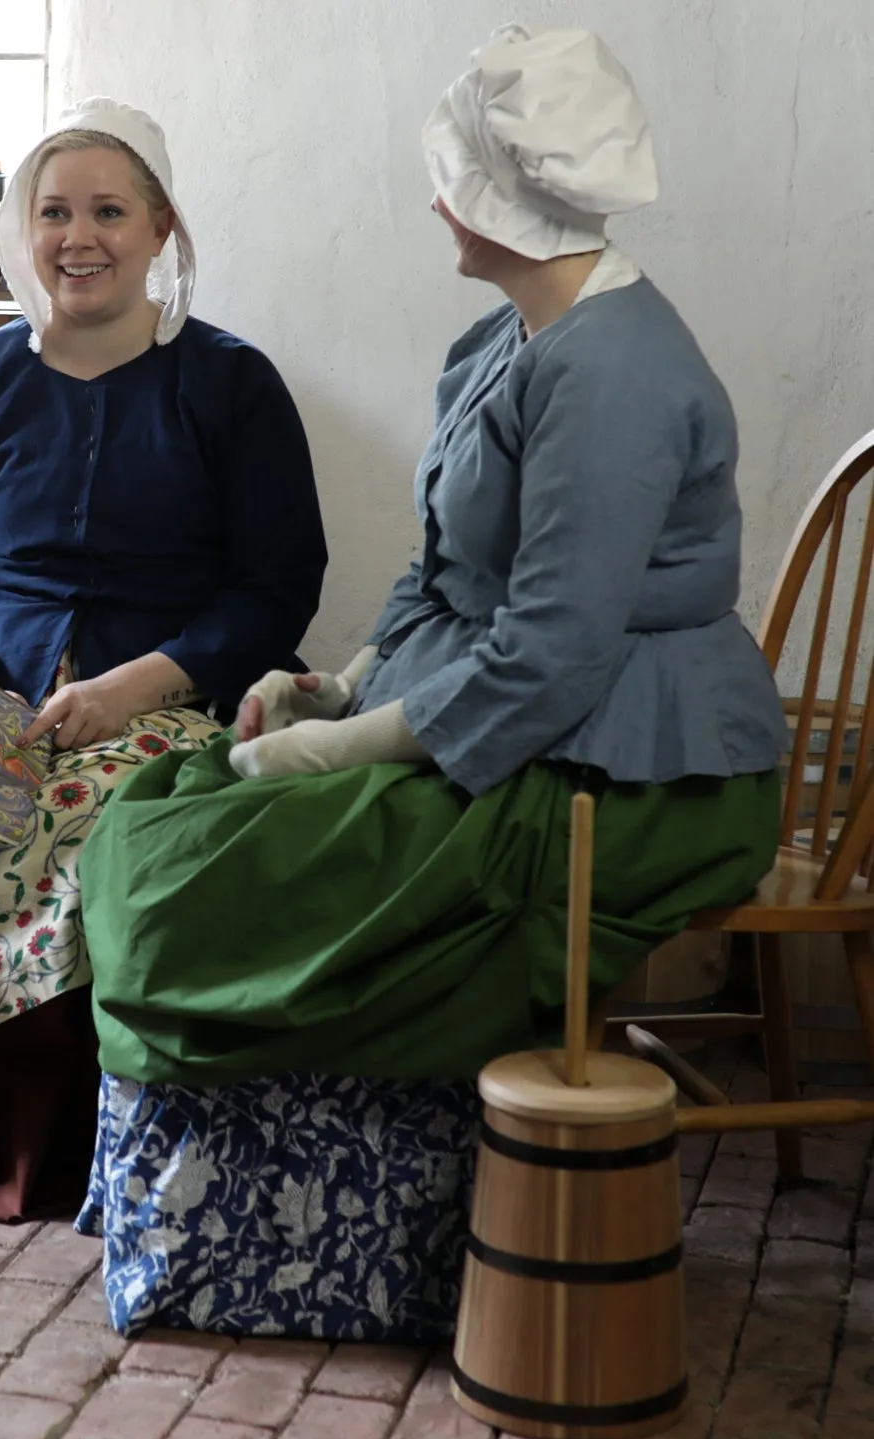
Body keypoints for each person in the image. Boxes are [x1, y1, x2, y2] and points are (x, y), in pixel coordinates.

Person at [74, 27, 788, 1340]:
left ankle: (331, 1223)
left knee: (211, 859)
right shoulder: (505, 342)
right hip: (519, 726)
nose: (436, 200)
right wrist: (335, 688)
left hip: (629, 773)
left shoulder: (617, 371)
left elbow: (557, 654)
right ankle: (222, 1208)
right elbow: (445, 576)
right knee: (170, 815)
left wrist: (336, 759)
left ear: (511, 189)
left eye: (452, 174)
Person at [0, 97, 327, 1221]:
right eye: (54, 212)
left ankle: (88, 1142)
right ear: (23, 228)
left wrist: (129, 688)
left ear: (160, 228)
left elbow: (275, 587)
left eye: (109, 210)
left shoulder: (233, 386)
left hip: (165, 702)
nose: (79, 236)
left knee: (97, 838)